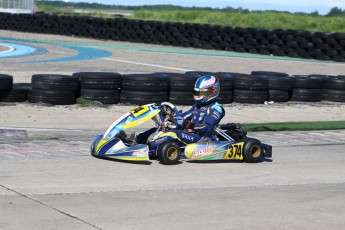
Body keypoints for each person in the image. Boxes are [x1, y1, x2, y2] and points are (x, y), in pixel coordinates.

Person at [147, 75, 225, 148]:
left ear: (212, 91)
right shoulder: (198, 106)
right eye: (197, 92)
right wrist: (171, 116)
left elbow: (207, 127)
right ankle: (137, 141)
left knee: (173, 134)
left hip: (202, 138)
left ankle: (148, 147)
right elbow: (183, 116)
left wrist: (188, 124)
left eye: (201, 93)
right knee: (160, 130)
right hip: (190, 133)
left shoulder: (216, 108)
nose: (198, 95)